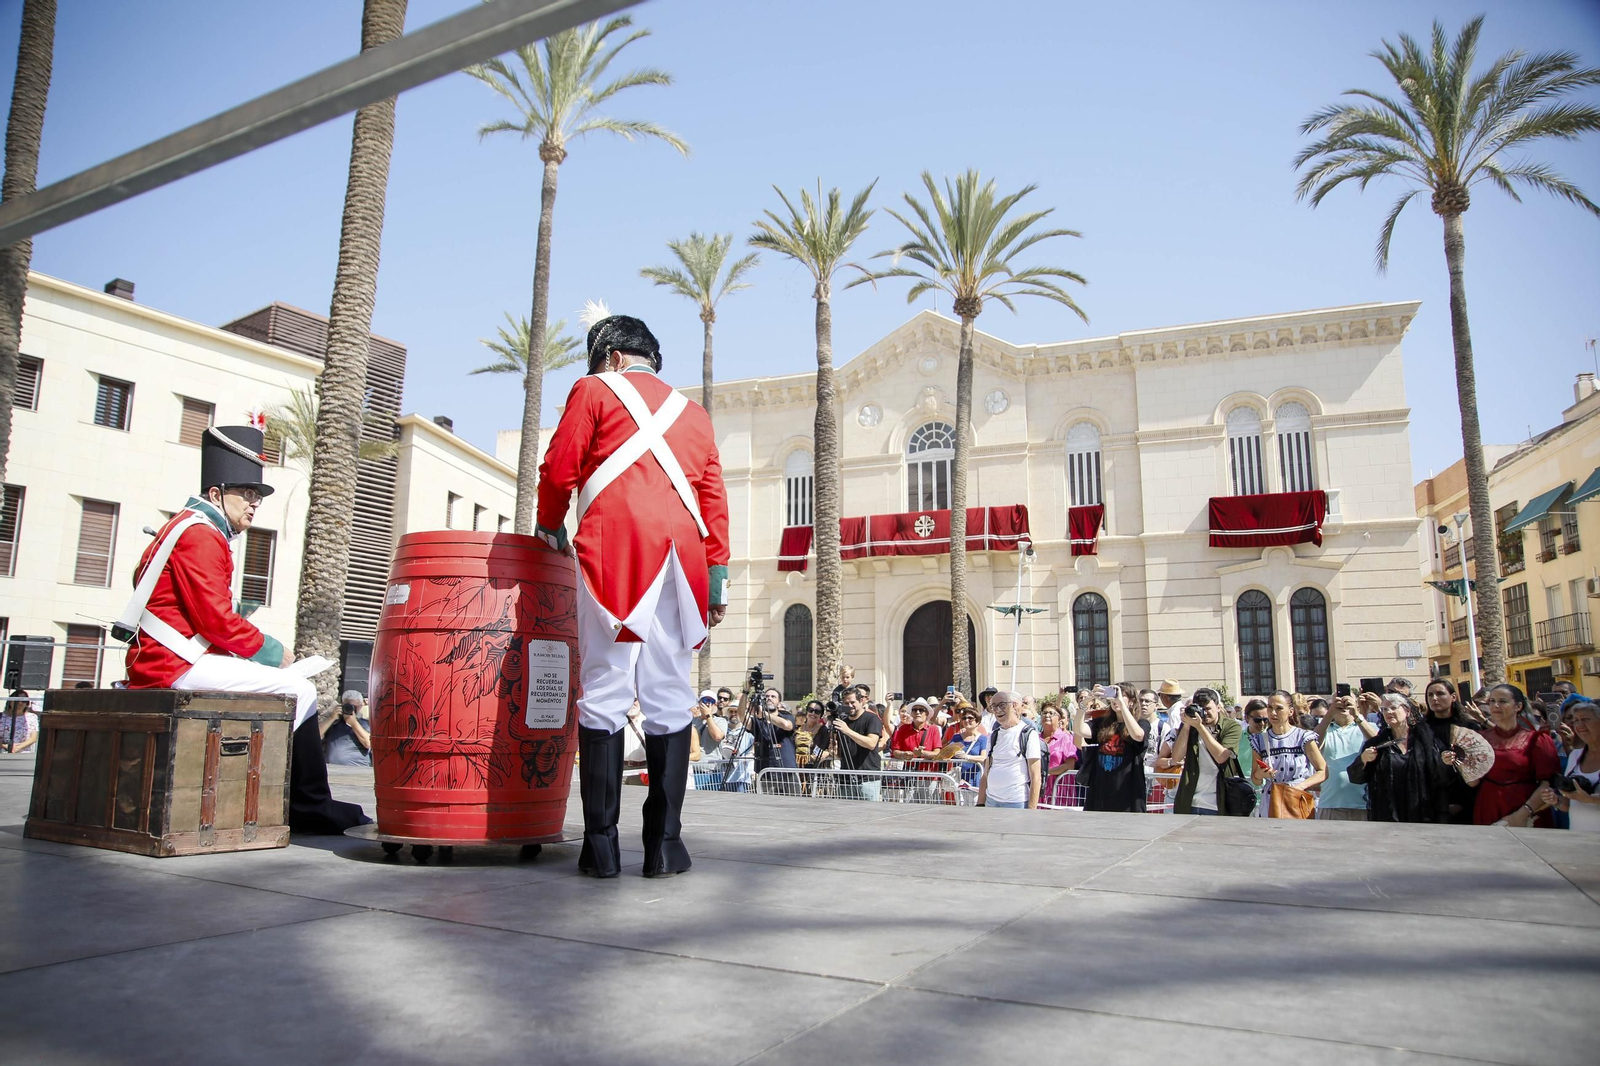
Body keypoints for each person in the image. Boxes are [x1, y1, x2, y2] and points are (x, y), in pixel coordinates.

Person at [535, 314, 730, 878]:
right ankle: (664, 847)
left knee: (605, 688)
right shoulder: (694, 415)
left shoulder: (594, 389)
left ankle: (600, 850)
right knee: (669, 693)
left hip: (615, 552)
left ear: (613, 357)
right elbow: (712, 499)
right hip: (682, 561)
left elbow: (560, 468)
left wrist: (549, 528)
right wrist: (716, 577)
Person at [120, 424, 365, 834]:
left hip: (171, 658)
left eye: (258, 497)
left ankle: (287, 798)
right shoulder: (201, 534)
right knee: (300, 689)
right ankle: (308, 806)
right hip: (173, 664)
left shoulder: (187, 527)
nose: (254, 504)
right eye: (246, 494)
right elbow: (215, 619)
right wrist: (273, 652)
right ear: (216, 493)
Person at [1347, 695, 1447, 822]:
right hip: (1388, 813)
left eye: (1393, 707)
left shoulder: (1426, 741)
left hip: (1422, 812)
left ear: (1407, 711)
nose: (1388, 712)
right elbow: (1356, 778)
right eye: (1384, 709)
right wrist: (1363, 760)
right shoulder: (1377, 744)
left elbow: (1441, 777)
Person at [1474, 683, 1561, 828]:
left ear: (1518, 706)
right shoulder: (1479, 738)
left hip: (1527, 808)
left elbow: (1548, 783)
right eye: (1492, 701)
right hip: (1489, 805)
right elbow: (1473, 781)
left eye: (1502, 701)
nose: (1496, 705)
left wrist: (1522, 814)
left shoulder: (1537, 739)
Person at [1249, 689, 1327, 817]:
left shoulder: (1303, 737)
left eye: (1279, 708)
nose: (1273, 713)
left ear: (1290, 711)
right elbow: (1255, 780)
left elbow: (1323, 770)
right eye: (1270, 707)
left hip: (1296, 799)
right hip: (1271, 801)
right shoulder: (1259, 740)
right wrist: (1260, 774)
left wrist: (1301, 786)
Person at [1165, 687, 1242, 815]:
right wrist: (1186, 725)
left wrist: (1200, 727)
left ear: (1218, 707)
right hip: (1190, 800)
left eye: (1207, 709)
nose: (1204, 714)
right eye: (1201, 709)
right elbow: (1176, 758)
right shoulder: (1190, 727)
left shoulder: (1231, 726)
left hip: (1220, 801)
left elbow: (1221, 756)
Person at [1074, 690, 1148, 812]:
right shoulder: (1103, 722)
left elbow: (1138, 735)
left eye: (1122, 695)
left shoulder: (1141, 723)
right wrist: (1085, 702)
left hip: (1128, 795)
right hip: (1100, 792)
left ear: (1132, 701)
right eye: (1113, 696)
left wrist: (1122, 706)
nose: (1116, 699)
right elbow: (1079, 729)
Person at [1421, 678, 1483, 823]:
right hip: (1431, 798)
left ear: (1453, 697)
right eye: (1430, 695)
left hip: (1466, 795)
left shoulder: (1470, 727)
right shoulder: (1421, 728)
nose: (1434, 698)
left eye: (1440, 694)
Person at [1312, 694, 1376, 820]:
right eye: (1338, 701)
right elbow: (1313, 746)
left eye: (1348, 701)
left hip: (1363, 804)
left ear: (1356, 704)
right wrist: (1329, 715)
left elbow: (1377, 742)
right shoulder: (1325, 729)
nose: (1344, 704)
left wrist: (1357, 715)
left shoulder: (1368, 726)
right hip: (1331, 803)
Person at [978, 691, 1042, 809]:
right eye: (993, 706)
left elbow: (1036, 777)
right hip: (991, 801)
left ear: (1014, 705)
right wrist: (980, 804)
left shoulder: (1028, 734)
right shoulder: (993, 736)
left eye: (1002, 705)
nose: (997, 710)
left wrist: (1031, 811)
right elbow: (986, 774)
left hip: (1016, 802)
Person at [830, 685, 884, 799]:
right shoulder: (843, 723)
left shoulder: (872, 719)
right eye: (846, 703)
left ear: (861, 701)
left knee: (868, 816)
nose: (849, 706)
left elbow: (871, 743)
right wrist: (833, 750)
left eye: (853, 702)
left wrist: (847, 731)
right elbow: (840, 754)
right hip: (846, 779)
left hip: (867, 779)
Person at [1556, 700, 1600, 832]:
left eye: (1585, 719)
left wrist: (1590, 799)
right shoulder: (1575, 756)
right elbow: (1569, 804)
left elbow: (1584, 799)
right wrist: (1556, 800)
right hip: (1578, 836)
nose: (1579, 725)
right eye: (1575, 720)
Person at [749, 687, 797, 772]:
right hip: (765, 772)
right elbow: (741, 717)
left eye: (773, 696)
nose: (769, 698)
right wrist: (746, 691)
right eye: (766, 696)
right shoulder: (758, 721)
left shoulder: (786, 716)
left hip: (787, 771)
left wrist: (764, 714)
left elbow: (786, 725)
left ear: (779, 703)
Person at [321, 690, 373, 767]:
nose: (350, 709)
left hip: (358, 770)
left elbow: (368, 743)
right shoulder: (334, 722)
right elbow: (315, 735)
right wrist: (331, 718)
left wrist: (354, 723)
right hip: (333, 769)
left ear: (360, 707)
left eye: (354, 707)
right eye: (347, 706)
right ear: (342, 705)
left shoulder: (365, 724)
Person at [717, 703, 755, 792]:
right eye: (731, 711)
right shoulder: (722, 729)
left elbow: (756, 745)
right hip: (722, 777)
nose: (734, 714)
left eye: (736, 712)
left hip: (741, 778)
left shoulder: (748, 731)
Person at [949, 707, 989, 787]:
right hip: (958, 779)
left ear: (977, 722)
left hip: (975, 779)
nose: (966, 720)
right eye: (964, 718)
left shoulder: (983, 739)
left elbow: (983, 758)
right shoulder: (956, 737)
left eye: (970, 718)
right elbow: (947, 753)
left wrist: (966, 757)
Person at [2, 690, 38, 754]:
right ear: (10, 701)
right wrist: (5, 746)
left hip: (23, 754)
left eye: (23, 701)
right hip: (3, 752)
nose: (20, 703)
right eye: (17, 700)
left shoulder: (32, 717)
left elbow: (33, 738)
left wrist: (18, 747)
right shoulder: (1, 716)